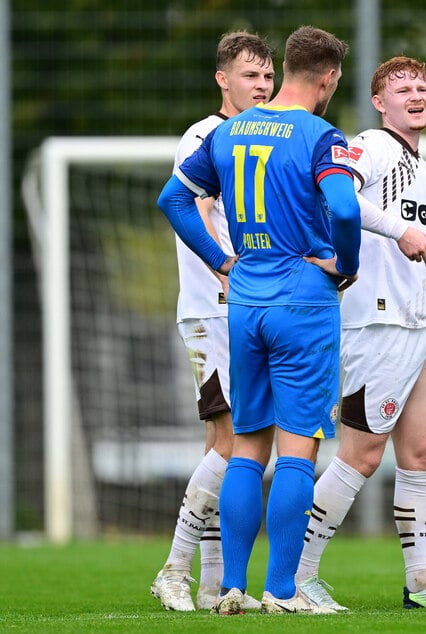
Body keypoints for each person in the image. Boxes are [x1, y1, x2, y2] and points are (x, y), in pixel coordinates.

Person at [157, 25, 361, 616]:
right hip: (303, 301)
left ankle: (231, 587)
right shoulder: (322, 135)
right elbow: (344, 206)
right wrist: (342, 264)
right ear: (327, 77)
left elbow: (174, 197)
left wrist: (223, 259)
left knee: (248, 446)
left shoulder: (229, 131)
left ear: (285, 68)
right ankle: (281, 591)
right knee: (297, 452)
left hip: (245, 305)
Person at [291, 55, 426, 611]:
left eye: (422, 86)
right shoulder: (371, 146)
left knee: (422, 455)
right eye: (402, 88)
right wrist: (399, 228)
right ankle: (297, 578)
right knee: (360, 455)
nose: (416, 94)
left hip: (421, 325)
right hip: (375, 320)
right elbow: (339, 201)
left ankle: (421, 583)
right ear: (381, 102)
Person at [150, 30, 274, 613]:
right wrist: (225, 266)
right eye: (251, 76)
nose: (263, 85)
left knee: (226, 443)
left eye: (268, 76)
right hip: (214, 307)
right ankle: (173, 570)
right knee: (234, 443)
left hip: (240, 309)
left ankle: (212, 583)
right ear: (222, 79)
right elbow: (193, 206)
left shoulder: (255, 138)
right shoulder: (207, 135)